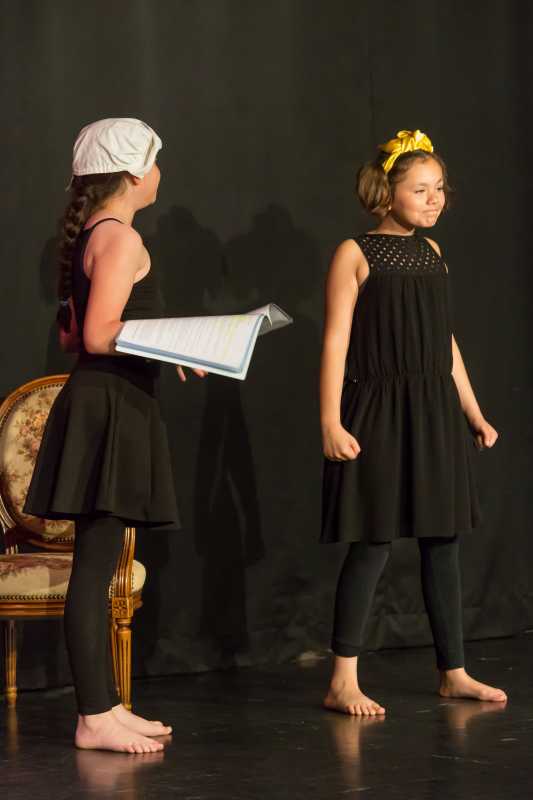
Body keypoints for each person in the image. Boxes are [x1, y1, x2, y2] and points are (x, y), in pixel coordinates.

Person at [24, 118, 206, 752]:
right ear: (133, 173)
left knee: (99, 564)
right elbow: (100, 335)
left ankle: (105, 705)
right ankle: (93, 716)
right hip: (109, 406)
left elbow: (74, 335)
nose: (160, 173)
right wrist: (174, 338)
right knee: (94, 566)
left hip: (110, 402)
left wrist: (165, 345)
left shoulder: (95, 235)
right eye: (155, 161)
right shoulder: (121, 238)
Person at [320, 129, 507, 716]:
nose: (435, 200)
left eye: (440, 188)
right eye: (421, 189)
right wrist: (330, 420)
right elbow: (335, 342)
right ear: (386, 191)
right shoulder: (355, 253)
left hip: (431, 409)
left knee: (442, 539)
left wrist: (472, 411)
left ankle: (454, 670)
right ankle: (342, 679)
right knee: (373, 539)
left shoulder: (432, 253)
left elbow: (444, 344)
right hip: (377, 408)